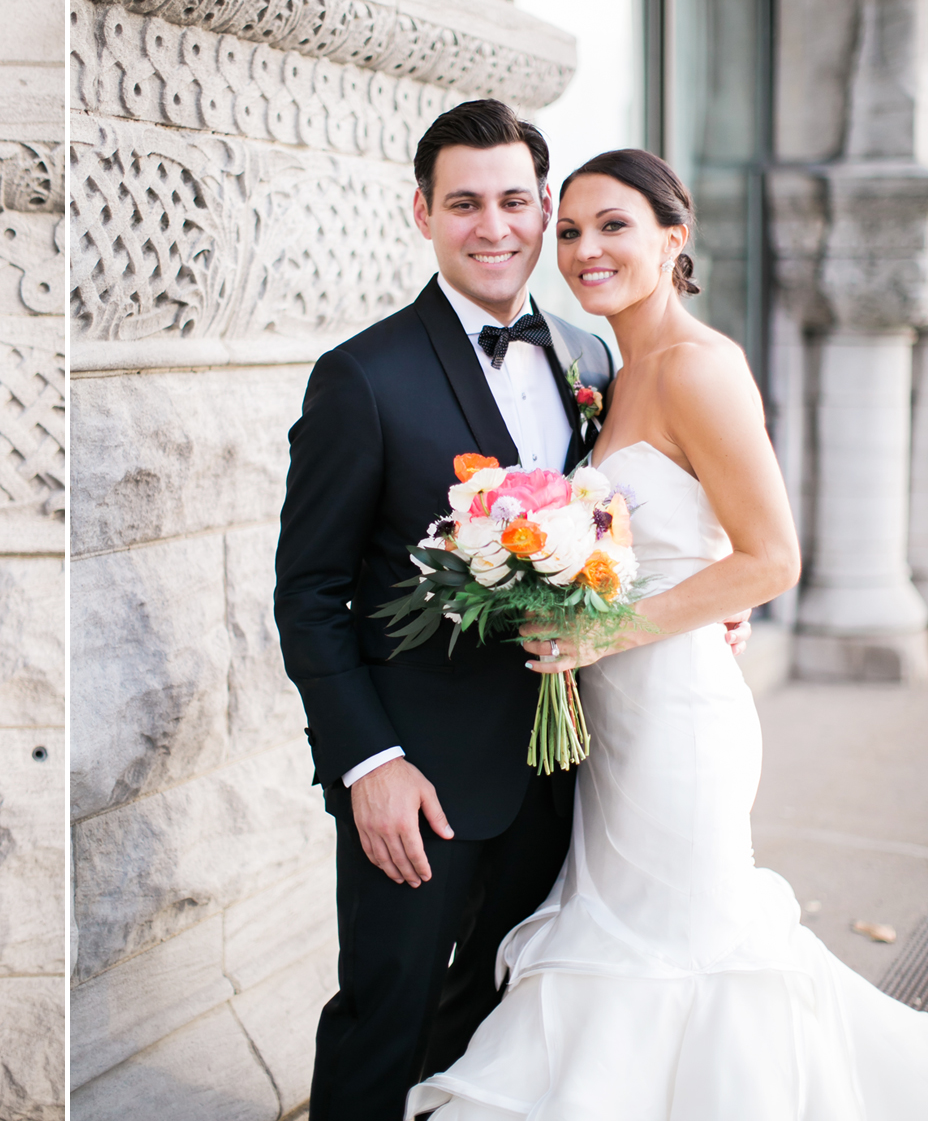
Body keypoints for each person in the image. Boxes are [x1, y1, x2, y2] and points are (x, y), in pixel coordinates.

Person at [407, 150, 928, 1118]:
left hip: (676, 718)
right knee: (624, 935)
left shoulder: (699, 365)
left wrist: (603, 631)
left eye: (613, 225)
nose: (583, 248)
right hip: (614, 720)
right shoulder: (607, 367)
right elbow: (698, 534)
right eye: (567, 230)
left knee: (679, 946)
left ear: (672, 237)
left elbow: (772, 558)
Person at [272, 100, 751, 1120]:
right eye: (462, 204)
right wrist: (368, 763)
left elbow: (641, 518)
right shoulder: (360, 376)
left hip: (577, 765)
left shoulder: (591, 362)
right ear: (421, 213)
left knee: (509, 1021)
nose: (493, 227)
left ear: (539, 210)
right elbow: (309, 592)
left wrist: (689, 596)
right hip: (422, 777)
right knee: (385, 1013)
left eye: (514, 202)